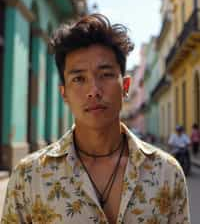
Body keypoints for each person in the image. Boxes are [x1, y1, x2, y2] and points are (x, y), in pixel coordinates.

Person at [2, 14, 190, 224]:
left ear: (126, 87)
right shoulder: (28, 176)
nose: (93, 90)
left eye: (106, 74)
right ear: (64, 93)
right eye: (79, 78)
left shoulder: (167, 172)